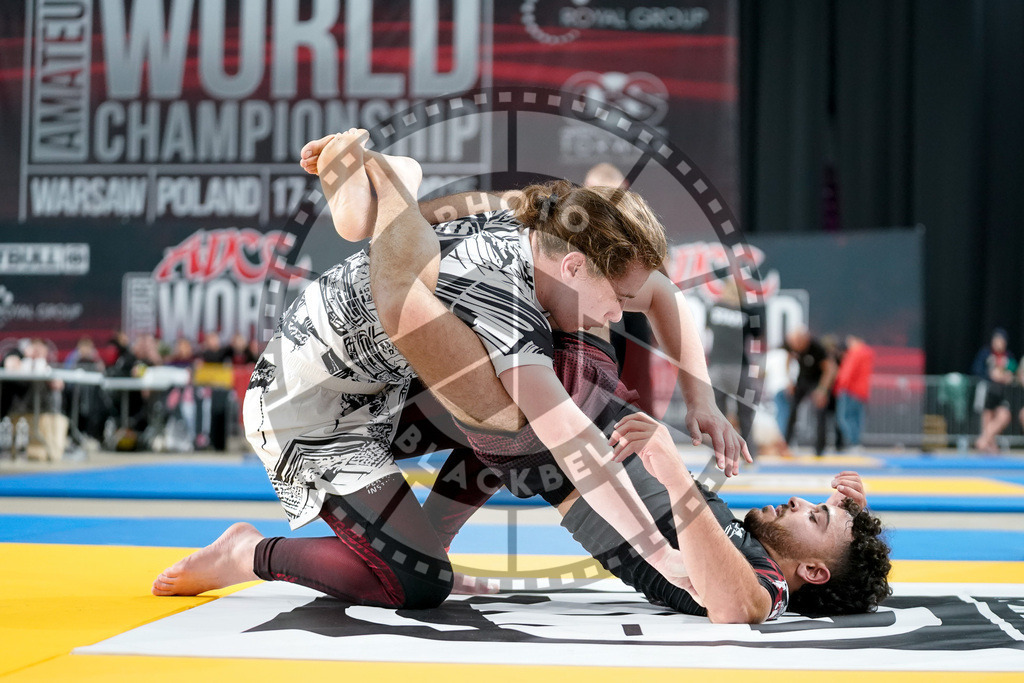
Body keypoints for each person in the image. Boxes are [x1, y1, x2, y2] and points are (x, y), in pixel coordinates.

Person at [153, 131, 746, 608]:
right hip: (309, 410)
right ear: (573, 268)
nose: (618, 317)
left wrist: (703, 401)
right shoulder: (507, 307)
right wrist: (661, 557)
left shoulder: (551, 234)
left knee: (509, 406)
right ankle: (251, 552)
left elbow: (662, 295)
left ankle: (390, 191)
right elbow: (577, 448)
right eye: (616, 302)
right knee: (415, 582)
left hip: (387, 383)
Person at [421, 331, 890, 621]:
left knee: (448, 336)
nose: (799, 503)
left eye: (815, 519)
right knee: (634, 282)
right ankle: (428, 541)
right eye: (816, 504)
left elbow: (735, 608)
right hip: (585, 416)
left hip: (558, 445)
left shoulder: (771, 586)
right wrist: (854, 526)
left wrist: (673, 472)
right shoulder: (755, 551)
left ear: (811, 571)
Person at [783, 327, 836, 456]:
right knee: (792, 410)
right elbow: (788, 359)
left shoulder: (817, 348)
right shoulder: (793, 346)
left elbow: (830, 370)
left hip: (817, 382)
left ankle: (819, 449)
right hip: (802, 380)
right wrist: (789, 380)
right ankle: (786, 444)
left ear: (804, 339)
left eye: (798, 343)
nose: (796, 347)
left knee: (819, 413)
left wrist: (822, 390)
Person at [972, 328, 1016, 453]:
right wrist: (990, 375)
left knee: (1004, 416)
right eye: (996, 340)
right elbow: (976, 370)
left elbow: (1013, 372)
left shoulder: (1008, 357)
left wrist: (1008, 377)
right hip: (987, 390)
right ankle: (990, 445)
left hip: (1001, 393)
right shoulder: (986, 354)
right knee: (987, 418)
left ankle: (983, 440)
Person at [834, 334, 874, 449]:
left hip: (850, 390)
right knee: (856, 418)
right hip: (861, 391)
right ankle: (856, 442)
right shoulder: (867, 353)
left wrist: (840, 386)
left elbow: (847, 372)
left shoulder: (856, 353)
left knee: (844, 417)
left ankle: (854, 442)